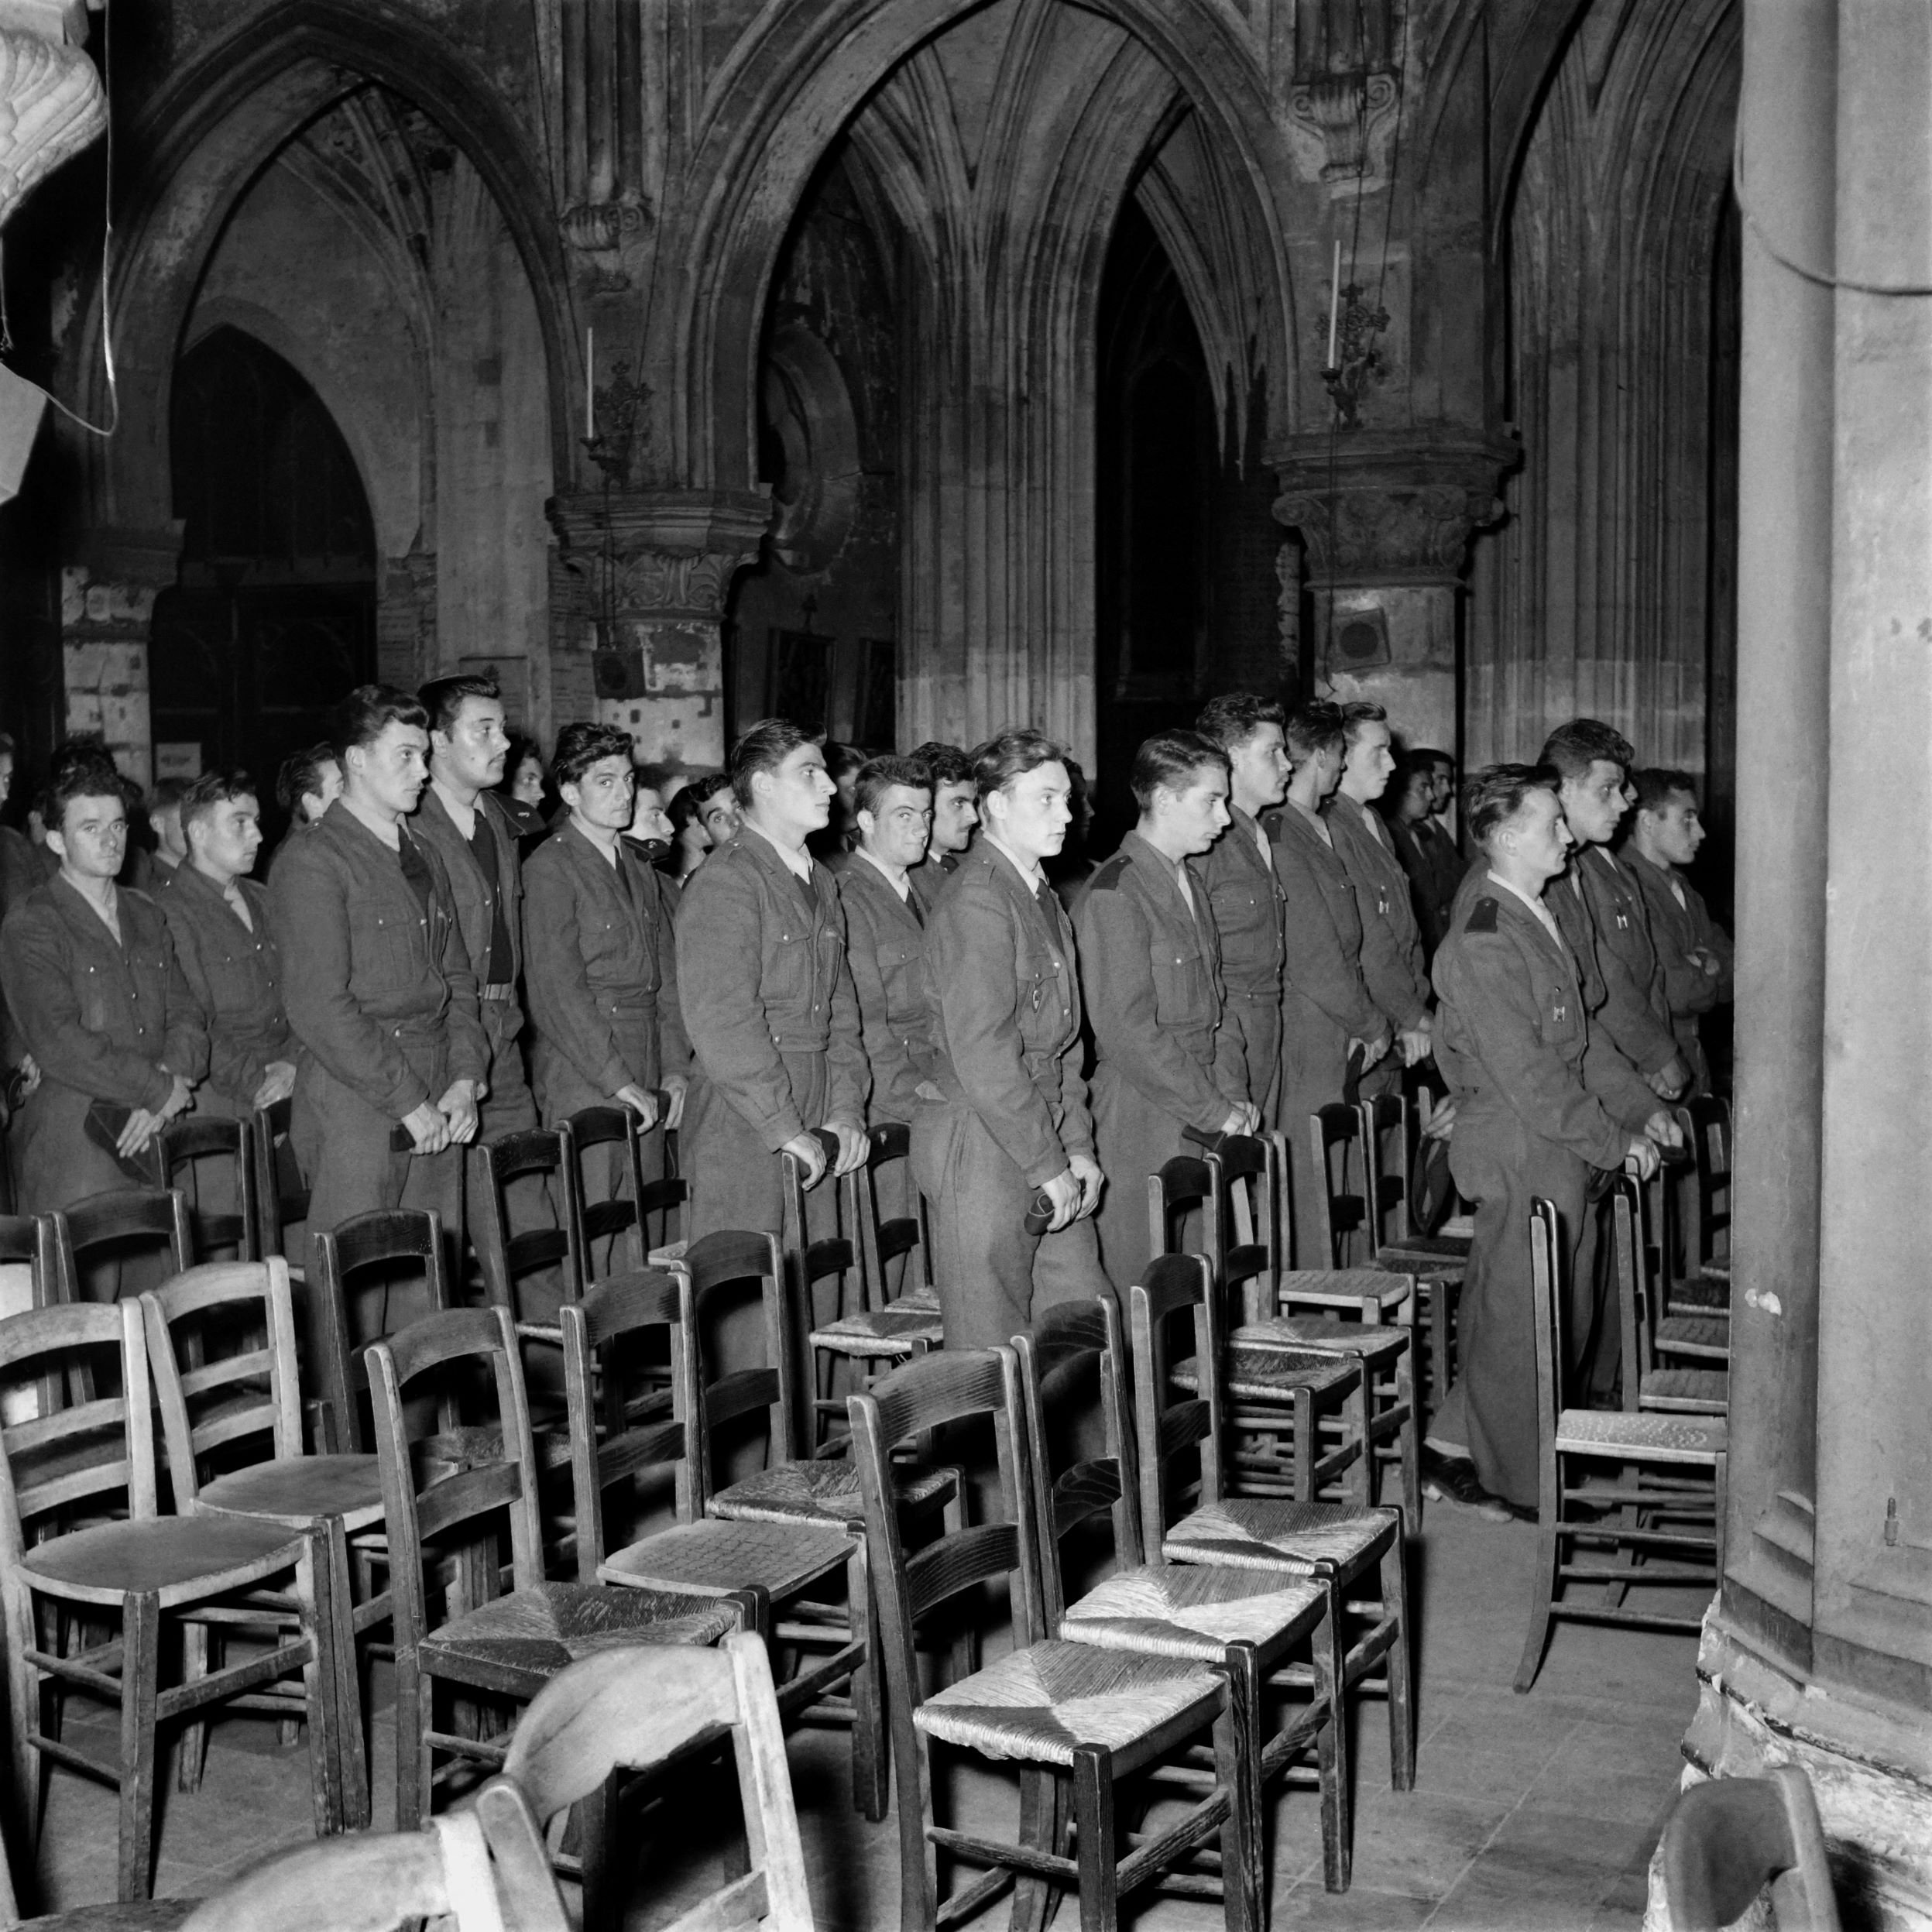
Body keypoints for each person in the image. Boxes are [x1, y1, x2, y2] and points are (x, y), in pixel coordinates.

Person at [1427, 764, 1679, 1518]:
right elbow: (1530, 1073)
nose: (1565, 835)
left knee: (1547, 1306)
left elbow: (1577, 1040)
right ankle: (1524, 1484)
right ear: (1506, 836)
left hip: (1547, 1138)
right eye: (1550, 823)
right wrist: (1610, 1138)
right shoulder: (1486, 934)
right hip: (1517, 1139)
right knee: (1521, 1316)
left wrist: (1632, 1114)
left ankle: (1486, 1454)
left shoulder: (1532, 911)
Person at [269, 684, 486, 1263]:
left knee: (428, 1286)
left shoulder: (425, 853)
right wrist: (408, 1100)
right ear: (357, 760)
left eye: (424, 754)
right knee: (354, 1287)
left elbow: (457, 976)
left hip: (437, 1082)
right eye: (406, 756)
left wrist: (465, 1078)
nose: (423, 770)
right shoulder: (314, 860)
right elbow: (319, 1005)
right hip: (359, 1097)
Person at [911, 729, 1108, 1352]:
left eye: (1068, 799)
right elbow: (985, 1055)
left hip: (1037, 1129)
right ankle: (986, 1457)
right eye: (1046, 799)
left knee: (1083, 1321)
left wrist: (1075, 1147)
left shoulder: (1039, 896)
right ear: (996, 804)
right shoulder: (979, 901)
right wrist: (1045, 1159)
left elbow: (1065, 1048)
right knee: (989, 1344)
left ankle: (1081, 1457)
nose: (1067, 813)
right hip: (982, 1139)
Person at [1076, 731, 1257, 1291]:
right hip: (1144, 1110)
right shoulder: (1116, 892)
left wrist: (1230, 1097)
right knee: (1147, 1282)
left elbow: (1218, 1006)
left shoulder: (1189, 883)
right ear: (1162, 798)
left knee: (1201, 1283)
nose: (1224, 817)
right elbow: (1128, 1031)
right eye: (1211, 800)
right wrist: (1211, 1107)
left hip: (1199, 1103)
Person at [1, 759, 205, 1253]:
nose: (110, 840)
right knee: (83, 1311)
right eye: (89, 828)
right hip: (75, 1146)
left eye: (117, 825)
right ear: (56, 841)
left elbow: (188, 1017)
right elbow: (58, 1041)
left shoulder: (145, 913)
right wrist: (156, 1088)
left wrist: (169, 1086)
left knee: (158, 1305)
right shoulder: (33, 923)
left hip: (153, 1138)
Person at [674, 719, 866, 1244]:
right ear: (761, 784)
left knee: (816, 1294)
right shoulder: (727, 881)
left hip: (818, 1106)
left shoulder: (819, 879)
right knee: (751, 1304)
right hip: (745, 1120)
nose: (829, 786)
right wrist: (781, 1126)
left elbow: (842, 1012)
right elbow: (724, 1023)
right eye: (809, 773)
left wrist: (845, 1111)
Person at [523, 724, 688, 1255]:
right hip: (585, 1068)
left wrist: (675, 1070)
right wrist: (617, 1080)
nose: (622, 793)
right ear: (570, 792)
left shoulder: (639, 866)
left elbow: (666, 980)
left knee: (650, 1228)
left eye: (627, 779)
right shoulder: (550, 867)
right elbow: (557, 993)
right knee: (596, 1228)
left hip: (647, 1061)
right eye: (604, 781)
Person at [413, 673, 556, 1261]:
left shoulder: (499, 819)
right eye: (485, 729)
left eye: (502, 728)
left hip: (504, 1029)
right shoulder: (413, 826)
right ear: (438, 741)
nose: (503, 743)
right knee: (444, 1221)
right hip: (447, 1035)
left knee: (531, 1224)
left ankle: (556, 1347)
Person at [1268, 700, 1390, 1259]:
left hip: (1338, 1029)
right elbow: (1315, 950)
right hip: (1312, 1030)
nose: (1343, 766)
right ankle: (1315, 1317)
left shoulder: (1318, 826)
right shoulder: (1284, 832)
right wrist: (1370, 1021)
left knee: (1343, 1181)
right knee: (1312, 1192)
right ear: (1321, 753)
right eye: (1340, 752)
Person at [153, 770, 293, 1241]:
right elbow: (193, 1021)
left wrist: (293, 1066)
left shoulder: (265, 899)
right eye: (239, 823)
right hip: (221, 1106)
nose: (256, 834)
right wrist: (262, 1085)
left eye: (255, 821)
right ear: (197, 832)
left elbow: (305, 993)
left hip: (288, 1095)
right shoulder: (168, 911)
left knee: (281, 1250)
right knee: (224, 1255)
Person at [1539, 719, 1690, 1103]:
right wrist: (1655, 1054)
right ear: (1565, 789)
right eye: (1608, 790)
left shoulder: (1572, 865)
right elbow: (1600, 985)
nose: (1624, 802)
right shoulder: (1539, 874)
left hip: (1617, 1066)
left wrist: (1656, 1054)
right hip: (1586, 1075)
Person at [1193, 695, 1290, 1123]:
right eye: (1273, 752)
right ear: (1232, 759)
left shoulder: (1256, 834)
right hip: (1230, 1033)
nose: (1287, 764)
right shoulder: (1206, 843)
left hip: (1266, 1025)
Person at [1329, 703, 1433, 1093]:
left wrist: (1414, 1008)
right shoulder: (1332, 828)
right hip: (1370, 1025)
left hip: (1398, 1017)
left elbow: (1404, 929)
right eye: (1379, 751)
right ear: (1341, 755)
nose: (1391, 765)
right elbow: (1369, 940)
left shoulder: (1372, 822)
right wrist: (1411, 1015)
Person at [832, 755, 934, 1134]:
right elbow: (862, 1023)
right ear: (866, 821)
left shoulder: (924, 890)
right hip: (891, 1105)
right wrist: (918, 1096)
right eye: (904, 815)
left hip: (936, 1085)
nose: (922, 828)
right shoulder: (849, 898)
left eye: (925, 814)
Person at [1621, 770, 1733, 1096]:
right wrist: (1711, 967)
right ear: (1647, 822)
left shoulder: (1682, 888)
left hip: (1693, 1069)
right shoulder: (1628, 888)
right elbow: (1676, 990)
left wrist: (1703, 965)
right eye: (1687, 819)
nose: (1700, 833)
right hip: (1655, 1080)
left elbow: (1737, 969)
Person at [1386, 757, 1459, 953]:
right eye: (1422, 788)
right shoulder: (1391, 836)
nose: (1431, 796)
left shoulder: (1419, 833)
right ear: (1399, 792)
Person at [911, 742, 978, 877]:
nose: (974, 817)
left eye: (974, 803)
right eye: (959, 803)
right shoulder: (908, 875)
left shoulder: (977, 859)